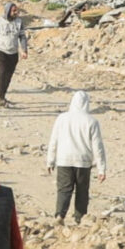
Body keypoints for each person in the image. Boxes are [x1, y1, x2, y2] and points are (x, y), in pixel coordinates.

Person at [45, 91, 107, 220]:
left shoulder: (62, 118)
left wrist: (50, 161)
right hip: (83, 161)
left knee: (64, 189)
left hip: (64, 160)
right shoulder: (92, 121)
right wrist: (102, 169)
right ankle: (80, 218)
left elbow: (53, 141)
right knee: (82, 191)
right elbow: (98, 147)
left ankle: (59, 216)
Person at [0, 3, 31, 107]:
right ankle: (1, 98)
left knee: (9, 75)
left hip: (13, 52)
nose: (16, 12)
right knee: (2, 73)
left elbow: (22, 37)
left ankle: (3, 95)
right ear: (8, 11)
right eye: (13, 11)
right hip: (1, 51)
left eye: (16, 10)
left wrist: (24, 50)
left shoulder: (19, 22)